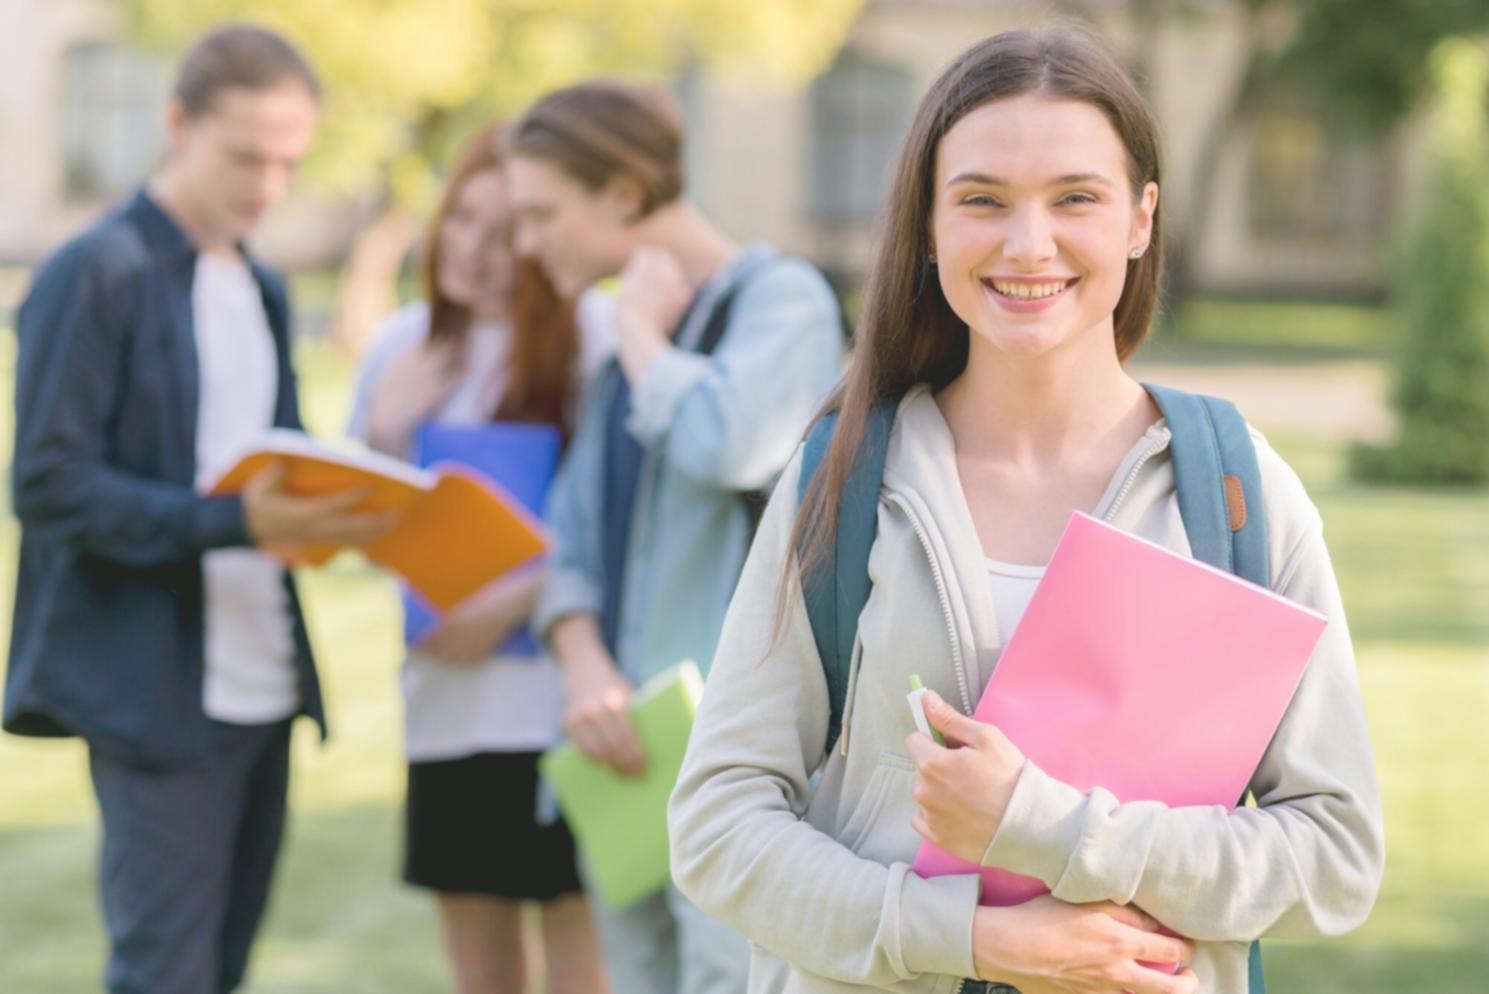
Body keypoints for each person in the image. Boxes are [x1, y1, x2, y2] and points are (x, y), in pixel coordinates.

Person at [668, 28, 1384, 994]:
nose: (1027, 243)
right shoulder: (842, 477)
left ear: (1140, 218)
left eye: (1075, 198)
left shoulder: (1238, 494)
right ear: (928, 227)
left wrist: (1045, 827)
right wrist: (966, 938)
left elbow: (1333, 858)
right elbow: (718, 825)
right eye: (982, 201)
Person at [4, 23, 393, 994]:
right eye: (245, 157)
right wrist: (235, 523)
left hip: (264, 684)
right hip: (152, 690)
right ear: (176, 123)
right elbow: (46, 482)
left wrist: (340, 511)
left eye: (288, 163)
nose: (267, 186)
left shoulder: (261, 284)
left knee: (219, 969)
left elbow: (280, 460)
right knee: (163, 974)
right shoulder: (94, 272)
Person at [505, 80, 846, 994]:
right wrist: (582, 664)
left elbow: (735, 442)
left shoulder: (781, 300)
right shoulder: (626, 349)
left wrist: (639, 336)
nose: (526, 243)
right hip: (621, 759)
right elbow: (567, 543)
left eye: (542, 214)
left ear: (622, 194)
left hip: (740, 769)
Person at [347, 122, 612, 994]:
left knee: (586, 969)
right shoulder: (400, 346)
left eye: (507, 231)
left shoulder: (593, 341)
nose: (477, 250)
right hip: (447, 708)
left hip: (561, 709)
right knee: (481, 979)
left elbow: (616, 529)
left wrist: (512, 602)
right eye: (461, 220)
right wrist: (387, 425)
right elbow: (352, 526)